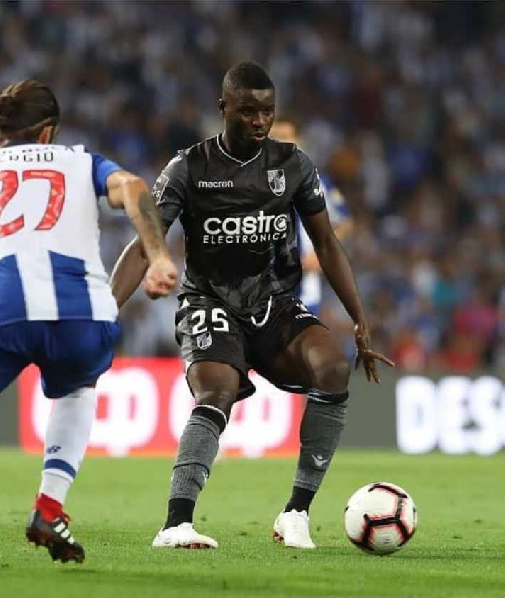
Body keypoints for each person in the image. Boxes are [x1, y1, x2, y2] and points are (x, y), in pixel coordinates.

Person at [111, 61, 393, 550]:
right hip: (210, 300)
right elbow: (145, 243)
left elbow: (326, 243)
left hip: (273, 303)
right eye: (247, 111)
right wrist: (104, 312)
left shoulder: (294, 165)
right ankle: (176, 522)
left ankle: (296, 513)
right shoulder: (189, 168)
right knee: (217, 390)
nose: (259, 121)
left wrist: (360, 320)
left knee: (331, 369)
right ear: (224, 109)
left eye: (267, 111)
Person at [0, 80, 177, 562]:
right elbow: (134, 187)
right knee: (77, 387)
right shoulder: (82, 161)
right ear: (48, 132)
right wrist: (156, 256)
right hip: (80, 314)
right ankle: (49, 507)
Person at [269, 119, 353, 315]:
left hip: (304, 291)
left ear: (298, 142)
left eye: (285, 138)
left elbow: (345, 223)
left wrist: (321, 253)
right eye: (273, 138)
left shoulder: (315, 181)